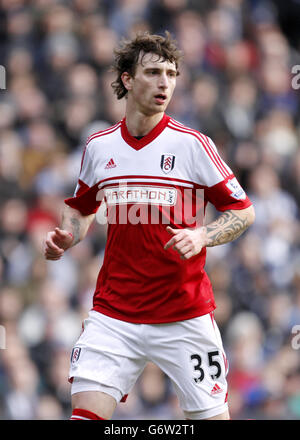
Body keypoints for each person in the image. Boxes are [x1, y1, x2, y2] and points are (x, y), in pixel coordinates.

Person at [44, 32, 255, 421]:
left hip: (184, 314)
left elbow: (243, 212)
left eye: (172, 74)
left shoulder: (194, 145)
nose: (165, 83)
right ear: (127, 79)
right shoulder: (99, 146)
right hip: (114, 313)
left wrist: (202, 234)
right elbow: (81, 209)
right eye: (154, 72)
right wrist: (67, 236)